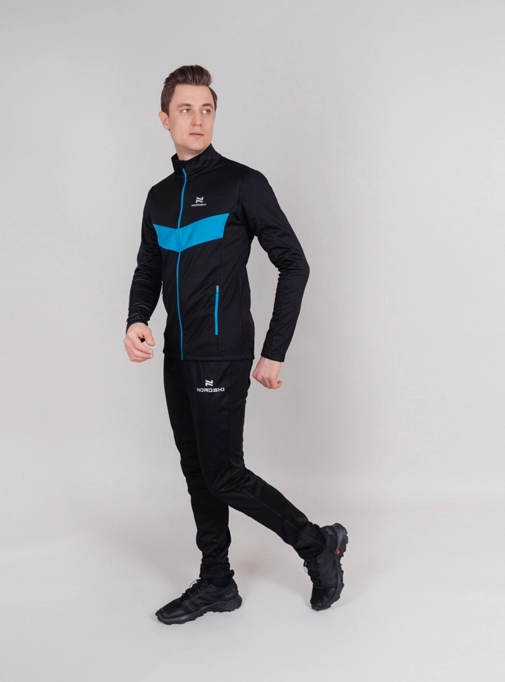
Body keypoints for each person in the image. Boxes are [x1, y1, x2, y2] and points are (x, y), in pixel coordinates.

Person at [123, 64, 348, 625]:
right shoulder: (158, 197)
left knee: (224, 473)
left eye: (206, 109)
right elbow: (148, 267)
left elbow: (294, 264)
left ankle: (317, 544)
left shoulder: (242, 184)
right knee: (197, 470)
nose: (197, 119)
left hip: (223, 351)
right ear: (165, 118)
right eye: (185, 109)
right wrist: (136, 320)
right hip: (177, 353)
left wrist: (275, 349)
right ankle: (217, 581)